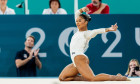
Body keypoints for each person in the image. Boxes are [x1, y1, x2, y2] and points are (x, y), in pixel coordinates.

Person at [59, 7, 129, 81]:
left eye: (80, 21)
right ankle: (85, 78)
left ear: (86, 22)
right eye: (76, 21)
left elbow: (97, 31)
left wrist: (109, 29)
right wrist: (82, 9)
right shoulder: (78, 31)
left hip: (79, 58)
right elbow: (77, 13)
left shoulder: (87, 34)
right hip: (75, 60)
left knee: (93, 78)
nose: (77, 23)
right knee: (62, 78)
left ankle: (118, 77)